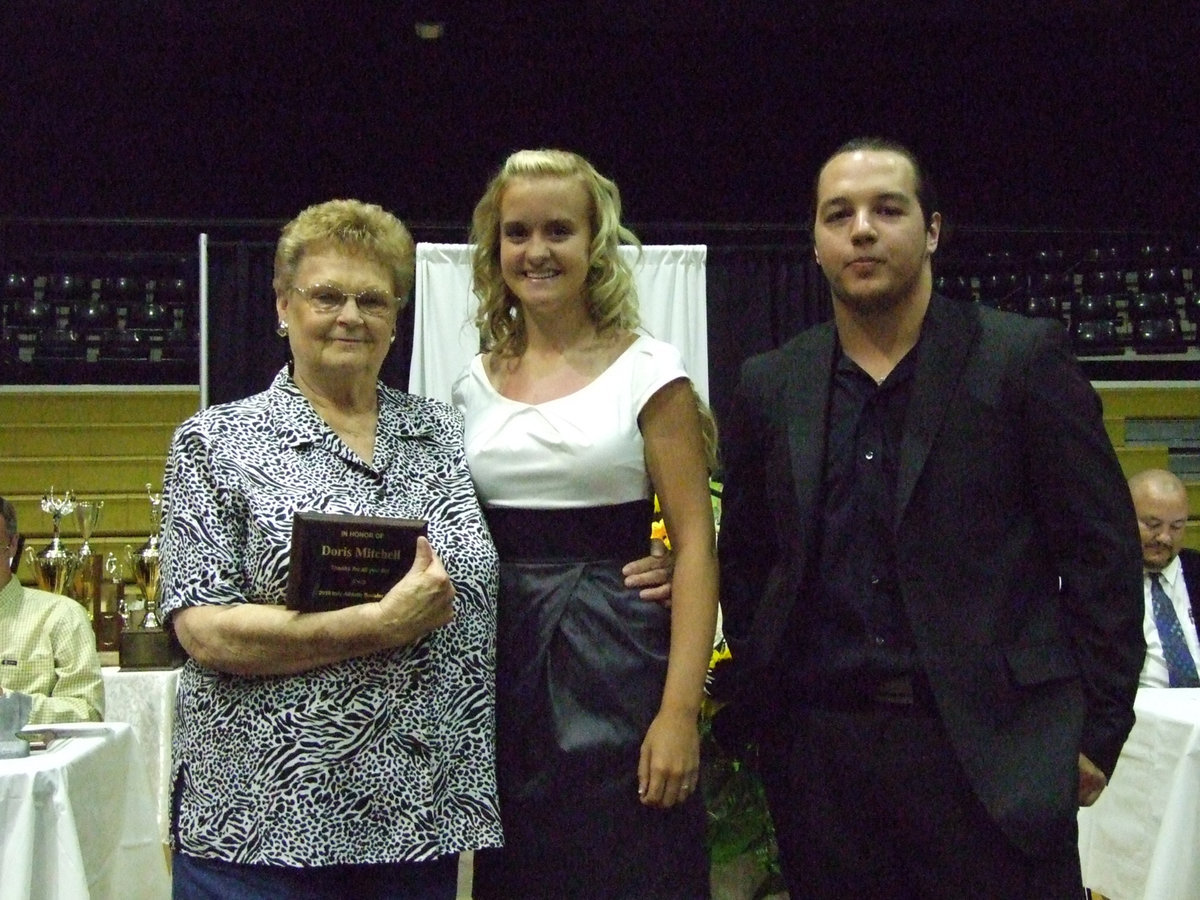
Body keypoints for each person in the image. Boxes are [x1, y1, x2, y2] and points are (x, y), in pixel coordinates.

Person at [717, 137, 1145, 898]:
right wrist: (770, 714)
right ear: (814, 244)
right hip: (824, 762)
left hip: (994, 756)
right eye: (837, 214)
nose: (862, 229)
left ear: (934, 229)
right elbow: (748, 563)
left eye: (888, 208)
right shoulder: (771, 383)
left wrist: (1100, 729)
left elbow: (1101, 555)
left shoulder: (1021, 359)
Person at [158, 199, 502, 900]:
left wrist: (645, 557)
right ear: (284, 306)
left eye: (373, 299)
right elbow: (204, 629)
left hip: (416, 820)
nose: (351, 315)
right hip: (260, 825)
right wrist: (380, 627)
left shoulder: (444, 433)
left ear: (397, 317)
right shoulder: (215, 442)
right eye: (326, 296)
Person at [452, 148, 718, 899]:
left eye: (559, 230)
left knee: (635, 866)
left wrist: (677, 712)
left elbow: (695, 546)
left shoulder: (650, 369)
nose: (537, 251)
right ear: (495, 247)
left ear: (594, 242)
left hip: (620, 662)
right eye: (517, 232)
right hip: (503, 666)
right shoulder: (470, 383)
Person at [0, 496, 104, 723]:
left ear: (13, 544)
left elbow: (87, 712)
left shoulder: (62, 616)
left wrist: (9, 705)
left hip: (28, 757)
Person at [1129, 468, 1200, 687]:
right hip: (1138, 711)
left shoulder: (1196, 569)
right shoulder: (1100, 578)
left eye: (1176, 527)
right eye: (1153, 525)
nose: (1165, 537)